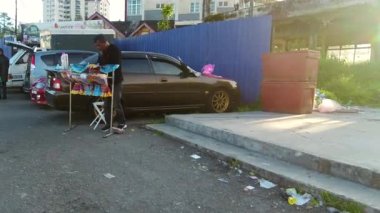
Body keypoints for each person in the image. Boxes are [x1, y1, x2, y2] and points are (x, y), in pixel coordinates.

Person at [93, 34, 127, 131]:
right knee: (106, 104)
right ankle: (109, 123)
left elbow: (115, 65)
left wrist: (103, 67)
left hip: (116, 80)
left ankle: (122, 122)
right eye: (96, 45)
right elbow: (99, 63)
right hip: (106, 81)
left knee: (116, 102)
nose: (97, 47)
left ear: (104, 42)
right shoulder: (102, 52)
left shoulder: (115, 50)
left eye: (99, 45)